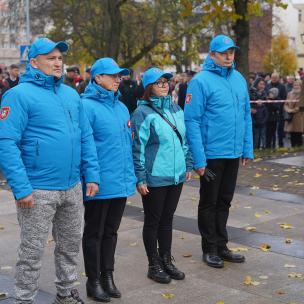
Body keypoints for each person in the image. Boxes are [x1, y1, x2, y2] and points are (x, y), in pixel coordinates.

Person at [0, 37, 100, 304]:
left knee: (69, 246)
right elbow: (6, 143)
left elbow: (85, 135)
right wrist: (21, 188)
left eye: (59, 58)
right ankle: (24, 299)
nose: (58, 63)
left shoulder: (70, 93)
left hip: (71, 187)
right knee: (31, 252)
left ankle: (66, 293)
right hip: (37, 189)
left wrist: (91, 174)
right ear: (33, 62)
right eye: (51, 58)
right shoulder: (18, 95)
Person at [184, 34, 253, 269]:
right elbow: (191, 121)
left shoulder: (239, 79)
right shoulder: (200, 81)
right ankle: (209, 247)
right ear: (212, 54)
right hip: (212, 154)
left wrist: (247, 148)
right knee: (209, 202)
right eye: (223, 52)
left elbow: (245, 115)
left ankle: (222, 246)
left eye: (231, 52)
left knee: (225, 201)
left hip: (233, 152)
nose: (228, 56)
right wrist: (199, 160)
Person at [81, 57, 136, 302]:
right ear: (97, 78)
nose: (118, 79)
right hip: (99, 183)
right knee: (94, 232)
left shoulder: (122, 107)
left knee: (111, 232)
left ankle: (108, 276)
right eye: (112, 76)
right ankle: (93, 281)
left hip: (120, 181)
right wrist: (93, 177)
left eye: (119, 76)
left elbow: (127, 144)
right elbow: (87, 147)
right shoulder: (86, 106)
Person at [132, 67, 192, 284]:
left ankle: (166, 260)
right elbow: (138, 148)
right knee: (153, 221)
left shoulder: (176, 109)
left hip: (175, 176)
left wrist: (187, 165)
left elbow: (183, 141)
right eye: (159, 83)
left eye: (166, 81)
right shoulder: (142, 113)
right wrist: (140, 177)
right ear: (149, 88)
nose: (165, 85)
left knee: (167, 221)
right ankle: (153, 264)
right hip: (155, 177)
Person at [265, 72, 287, 147]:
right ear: (271, 78)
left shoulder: (282, 87)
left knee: (279, 130)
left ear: (278, 78)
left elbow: (284, 98)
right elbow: (265, 96)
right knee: (269, 131)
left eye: (275, 77)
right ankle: (268, 146)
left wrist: (277, 102)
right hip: (268, 111)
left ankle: (280, 145)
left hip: (279, 112)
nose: (274, 79)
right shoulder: (267, 86)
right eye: (272, 77)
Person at [284, 80, 304, 147]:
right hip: (290, 116)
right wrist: (288, 110)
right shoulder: (289, 93)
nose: (296, 86)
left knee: (298, 133)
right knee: (292, 133)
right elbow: (285, 104)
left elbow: (300, 105)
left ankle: (299, 147)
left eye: (298, 85)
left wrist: (293, 110)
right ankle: (293, 147)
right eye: (295, 85)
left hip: (299, 116)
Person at [250, 78, 268, 149]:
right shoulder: (251, 92)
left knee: (262, 134)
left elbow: (267, 105)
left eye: (263, 84)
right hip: (253, 116)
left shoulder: (264, 93)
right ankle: (254, 148)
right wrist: (251, 108)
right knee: (254, 134)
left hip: (262, 116)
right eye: (260, 84)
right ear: (256, 84)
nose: (262, 86)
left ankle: (262, 147)